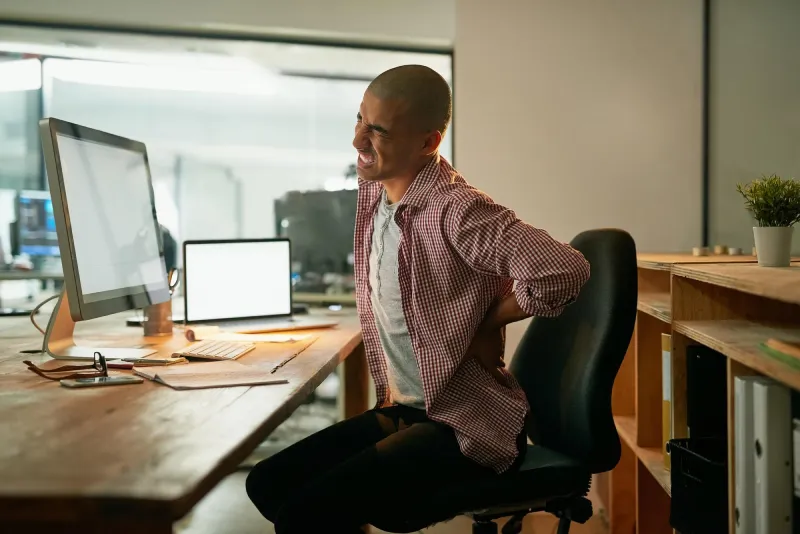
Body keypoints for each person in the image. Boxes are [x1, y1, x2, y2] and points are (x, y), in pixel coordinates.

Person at [246, 65, 591, 534]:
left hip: (467, 425)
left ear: (428, 143)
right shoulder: (375, 192)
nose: (357, 142)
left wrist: (489, 320)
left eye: (379, 131)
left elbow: (563, 270)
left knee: (308, 514)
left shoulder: (457, 209)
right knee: (268, 484)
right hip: (407, 409)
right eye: (359, 120)